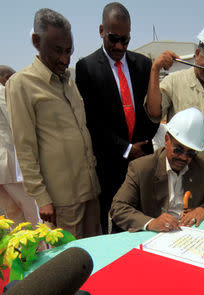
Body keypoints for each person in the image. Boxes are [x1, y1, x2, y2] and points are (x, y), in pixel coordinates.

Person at [6, 9, 100, 238]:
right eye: (57, 50)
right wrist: (42, 199)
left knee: (97, 258)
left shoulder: (68, 80)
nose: (64, 59)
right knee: (69, 264)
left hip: (90, 191)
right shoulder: (22, 84)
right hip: (60, 202)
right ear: (36, 42)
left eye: (69, 51)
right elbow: (24, 148)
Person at [75, 2, 159, 233]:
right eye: (113, 39)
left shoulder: (142, 64)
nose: (120, 46)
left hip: (140, 161)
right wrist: (125, 148)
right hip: (108, 164)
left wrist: (142, 147)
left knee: (137, 224)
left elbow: (149, 112)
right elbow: (92, 121)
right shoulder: (87, 68)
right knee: (108, 224)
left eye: (126, 40)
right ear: (102, 31)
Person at [145, 18, 204, 200]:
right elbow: (154, 113)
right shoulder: (175, 81)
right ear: (196, 54)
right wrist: (155, 69)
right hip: (181, 178)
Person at [110, 108, 204, 232]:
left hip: (188, 234)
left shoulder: (202, 166)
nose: (183, 158)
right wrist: (151, 223)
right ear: (167, 140)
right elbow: (118, 208)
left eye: (190, 153)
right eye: (178, 150)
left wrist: (202, 210)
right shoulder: (141, 168)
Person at [1, 66, 40, 226]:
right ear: (7, 78)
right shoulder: (3, 92)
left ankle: (21, 250)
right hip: (10, 163)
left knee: (13, 218)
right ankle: (44, 248)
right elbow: (16, 121)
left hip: (3, 169)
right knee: (33, 212)